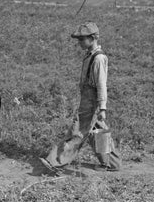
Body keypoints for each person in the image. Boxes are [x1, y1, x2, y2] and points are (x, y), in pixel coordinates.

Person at [41, 22, 122, 172]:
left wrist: (102, 107)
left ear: (92, 38)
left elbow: (101, 84)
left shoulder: (98, 58)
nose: (79, 42)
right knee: (98, 131)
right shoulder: (89, 56)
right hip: (87, 98)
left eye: (82, 39)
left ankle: (56, 162)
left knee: (78, 131)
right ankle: (111, 163)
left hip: (92, 101)